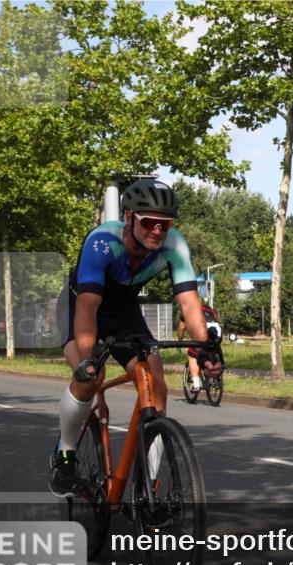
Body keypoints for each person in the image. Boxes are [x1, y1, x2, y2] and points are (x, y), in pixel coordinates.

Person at [51, 178, 222, 496]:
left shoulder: (175, 246)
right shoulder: (102, 241)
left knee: (156, 385)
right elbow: (88, 305)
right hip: (82, 304)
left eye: (164, 224)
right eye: (149, 222)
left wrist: (205, 350)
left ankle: (149, 487)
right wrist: (87, 358)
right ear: (128, 217)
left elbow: (189, 302)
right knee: (90, 376)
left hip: (123, 311)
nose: (157, 230)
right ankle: (65, 454)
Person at [177, 303, 222, 391]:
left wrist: (180, 341)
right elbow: (214, 320)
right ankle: (216, 379)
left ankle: (196, 385)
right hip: (217, 332)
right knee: (212, 351)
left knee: (192, 355)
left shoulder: (189, 310)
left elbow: (181, 327)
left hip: (203, 333)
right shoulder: (209, 309)